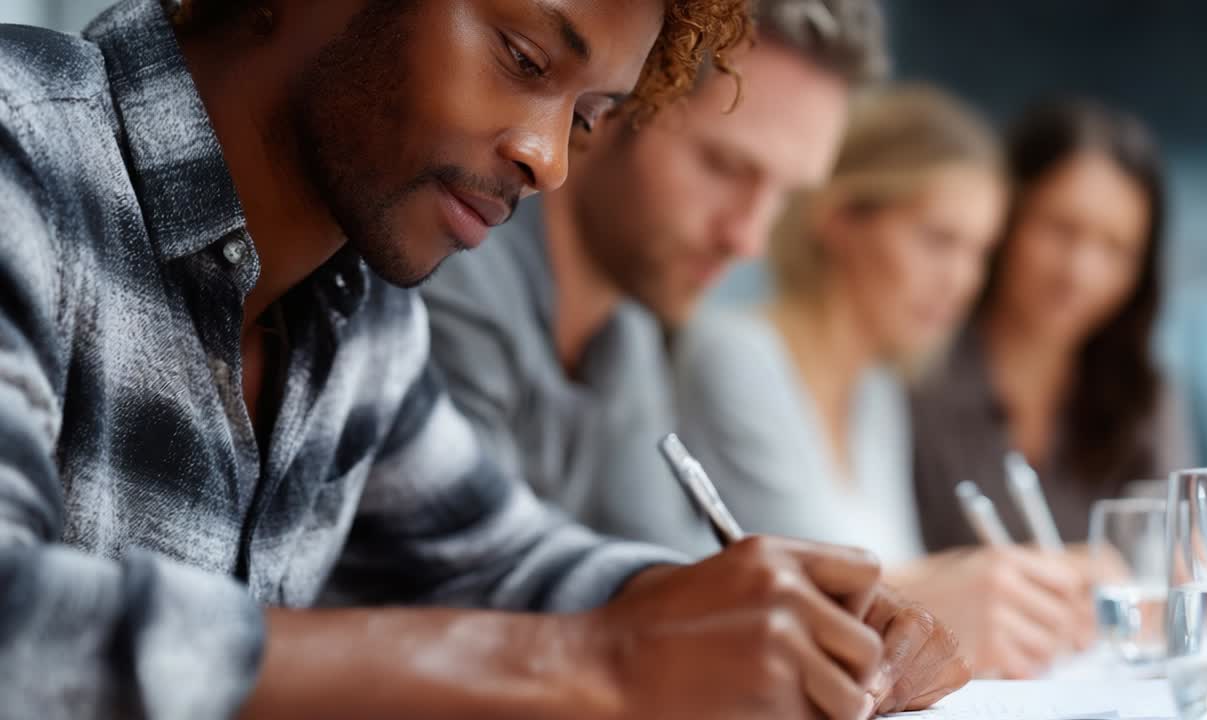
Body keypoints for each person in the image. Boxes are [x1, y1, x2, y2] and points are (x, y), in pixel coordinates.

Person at [0, 0, 969, 718]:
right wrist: (603, 662)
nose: (548, 160)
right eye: (522, 55)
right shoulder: (21, 153)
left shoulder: (359, 301)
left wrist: (754, 615)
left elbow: (497, 559)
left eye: (586, 115)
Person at [423, 0, 887, 554]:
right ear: (619, 99)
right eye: (724, 167)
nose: (746, 240)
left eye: (784, 197)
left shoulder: (625, 334)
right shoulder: (455, 265)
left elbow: (660, 561)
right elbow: (466, 577)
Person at [674, 86, 1093, 680]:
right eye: (939, 240)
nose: (962, 280)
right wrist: (982, 582)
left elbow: (890, 586)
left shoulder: (877, 389)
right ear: (840, 217)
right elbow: (824, 596)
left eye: (979, 253)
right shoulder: (735, 356)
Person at [908, 98, 1195, 675]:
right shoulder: (917, 371)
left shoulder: (1144, 394)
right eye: (1060, 228)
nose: (1080, 272)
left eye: (1116, 249)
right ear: (1006, 217)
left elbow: (1178, 579)